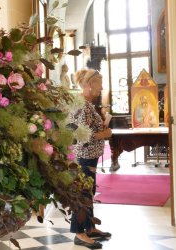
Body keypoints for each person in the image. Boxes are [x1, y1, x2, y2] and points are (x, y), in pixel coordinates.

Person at [70, 69, 112, 249]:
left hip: (90, 156)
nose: (101, 87)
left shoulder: (87, 104)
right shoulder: (82, 105)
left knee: (88, 191)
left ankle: (90, 227)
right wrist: (105, 133)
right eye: (99, 84)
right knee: (83, 193)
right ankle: (79, 233)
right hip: (84, 156)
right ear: (88, 85)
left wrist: (101, 128)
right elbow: (82, 135)